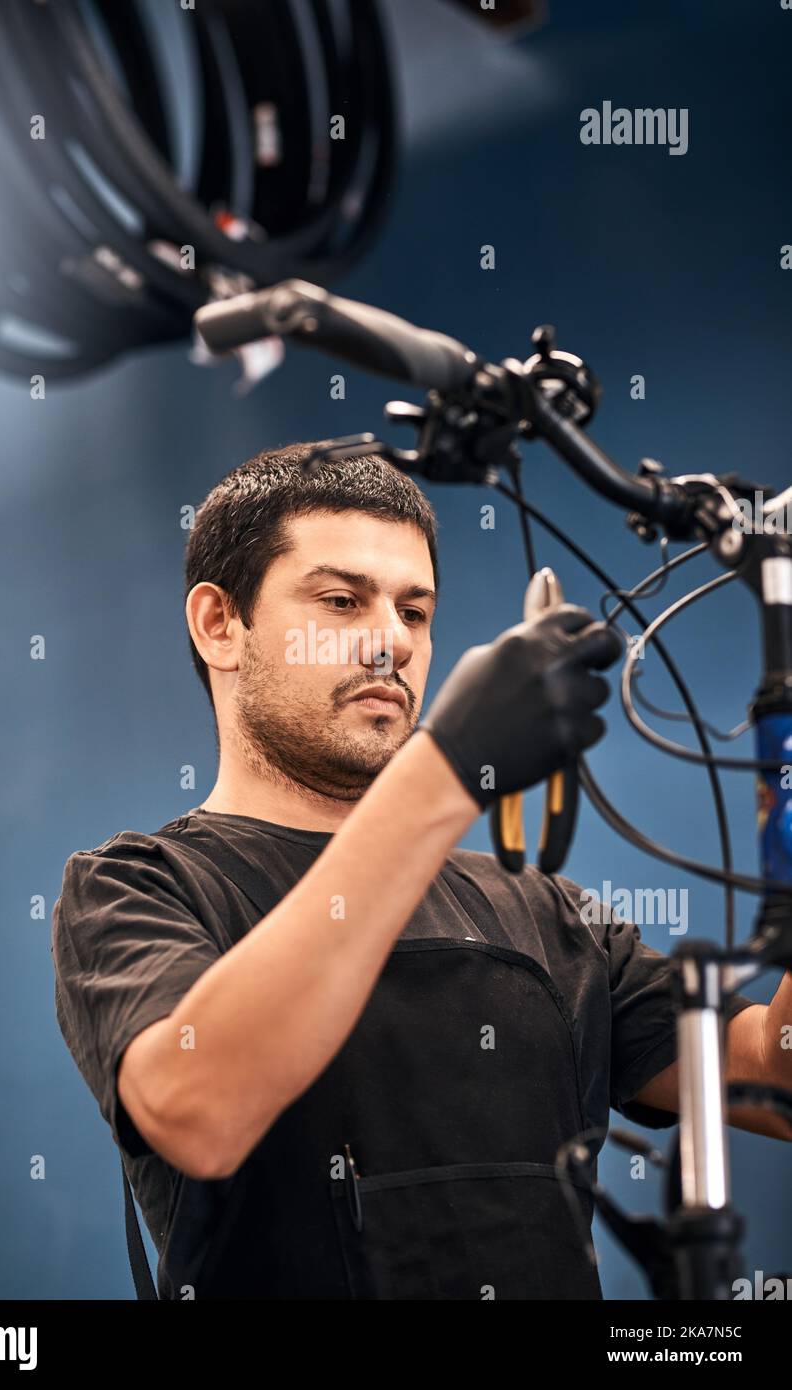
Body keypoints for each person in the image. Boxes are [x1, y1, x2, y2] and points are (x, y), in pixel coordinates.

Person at [52, 441, 786, 1301]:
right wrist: (447, 768)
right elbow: (198, 1105)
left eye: (414, 611)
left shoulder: (544, 910)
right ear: (220, 624)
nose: (389, 644)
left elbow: (773, 1073)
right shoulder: (140, 886)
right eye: (341, 601)